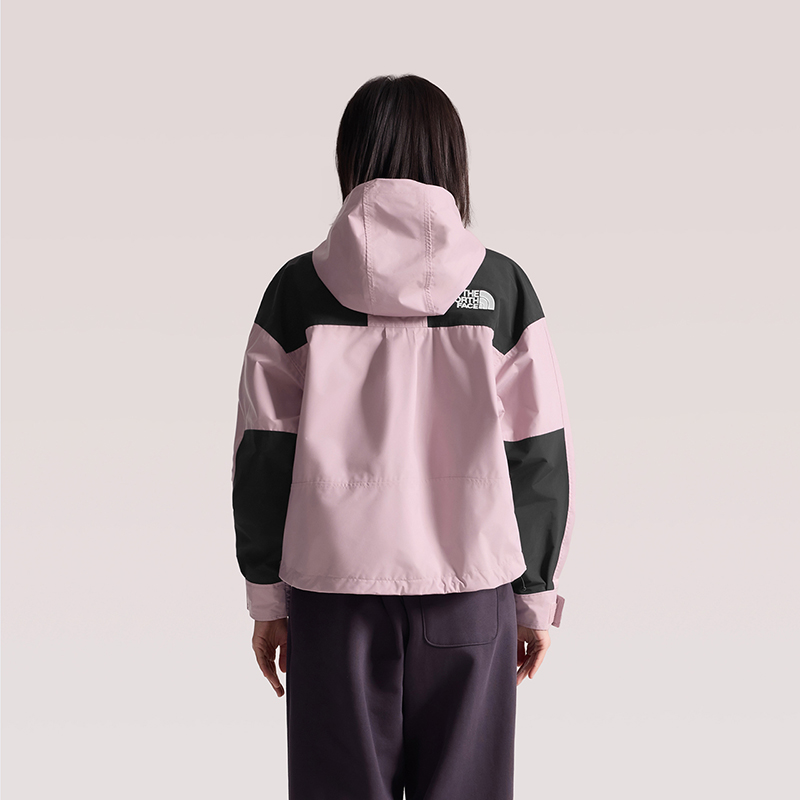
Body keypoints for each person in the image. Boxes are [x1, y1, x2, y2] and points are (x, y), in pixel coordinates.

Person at [231, 73, 576, 800]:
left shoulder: (297, 292)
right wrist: (536, 598)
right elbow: (537, 453)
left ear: (350, 158)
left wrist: (267, 600)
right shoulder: (502, 289)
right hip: (470, 592)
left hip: (333, 594)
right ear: (451, 158)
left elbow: (263, 455)